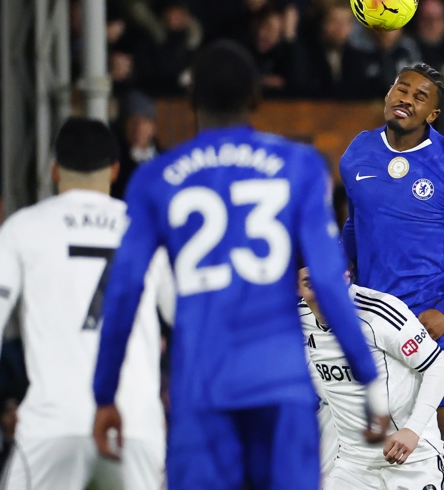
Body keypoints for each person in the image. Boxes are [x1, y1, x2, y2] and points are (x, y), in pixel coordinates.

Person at [92, 40, 388, 490]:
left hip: (200, 391)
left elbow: (125, 290)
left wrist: (104, 393)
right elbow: (328, 281)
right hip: (281, 387)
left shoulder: (156, 178)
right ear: (255, 97)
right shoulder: (300, 165)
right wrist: (367, 378)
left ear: (192, 100)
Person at [0, 117, 170, 489]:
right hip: (134, 422)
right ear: (114, 170)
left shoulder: (23, 226)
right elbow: (183, 318)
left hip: (54, 422)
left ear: (55, 171)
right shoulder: (144, 229)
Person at [339, 62, 444, 490]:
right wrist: (335, 270)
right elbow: (356, 223)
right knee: (367, 438)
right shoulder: (357, 152)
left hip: (432, 324)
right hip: (371, 324)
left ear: (432, 115)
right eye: (400, 88)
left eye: (419, 95)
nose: (405, 97)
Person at [299, 267, 444, 489]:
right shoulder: (297, 320)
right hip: (353, 466)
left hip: (412, 461)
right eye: (311, 285)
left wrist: (413, 430)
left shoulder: (379, 312)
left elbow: (438, 365)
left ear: (345, 277)